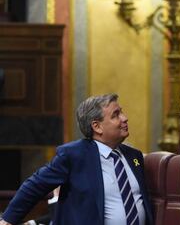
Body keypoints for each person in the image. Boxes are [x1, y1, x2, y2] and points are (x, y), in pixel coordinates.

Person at [0, 94, 153, 225]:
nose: (125, 118)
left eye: (122, 112)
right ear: (97, 126)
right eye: (116, 115)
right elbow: (35, 185)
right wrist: (8, 220)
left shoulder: (134, 156)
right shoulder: (74, 155)